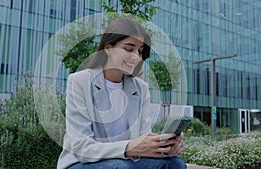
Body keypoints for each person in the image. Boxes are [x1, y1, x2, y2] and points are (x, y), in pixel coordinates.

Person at [57, 18, 187, 169]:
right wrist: (128, 148)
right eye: (128, 49)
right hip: (82, 163)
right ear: (108, 48)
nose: (136, 57)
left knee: (175, 163)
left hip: (125, 162)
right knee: (119, 167)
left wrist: (162, 149)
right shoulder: (80, 81)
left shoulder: (141, 88)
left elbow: (142, 140)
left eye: (140, 51)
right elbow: (81, 147)